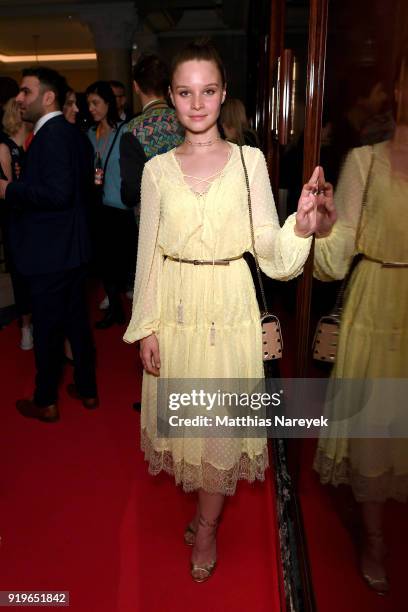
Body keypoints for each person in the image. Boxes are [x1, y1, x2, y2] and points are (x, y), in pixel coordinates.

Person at [123, 39, 335, 582]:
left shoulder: (250, 162)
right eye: (186, 92)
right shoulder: (157, 172)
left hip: (231, 308)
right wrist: (146, 327)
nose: (198, 104)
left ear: (223, 94)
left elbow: (272, 252)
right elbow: (147, 256)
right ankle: (204, 511)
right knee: (192, 424)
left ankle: (209, 527)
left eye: (209, 91)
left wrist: (302, 227)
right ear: (170, 97)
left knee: (218, 425)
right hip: (176, 309)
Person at [313, 55, 408, 594]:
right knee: (375, 426)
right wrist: (323, 232)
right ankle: (373, 538)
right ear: (398, 86)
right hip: (375, 302)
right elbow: (334, 259)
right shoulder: (365, 161)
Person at [0, 66, 98, 422]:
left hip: (51, 251)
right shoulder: (72, 134)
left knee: (48, 327)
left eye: (26, 92)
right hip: (71, 249)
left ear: (48, 96)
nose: (19, 99)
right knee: (75, 322)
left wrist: (9, 189)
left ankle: (45, 400)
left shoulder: (52, 135)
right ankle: (87, 390)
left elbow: (57, 194)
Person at [86, 81, 136, 329]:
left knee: (121, 261)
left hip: (120, 208)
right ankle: (115, 310)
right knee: (104, 262)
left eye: (95, 103)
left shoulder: (125, 130)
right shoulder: (89, 134)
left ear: (108, 103)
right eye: (89, 104)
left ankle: (128, 311)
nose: (91, 108)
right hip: (98, 207)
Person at [119, 54, 184, 213]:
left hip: (154, 223)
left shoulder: (133, 130)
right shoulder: (186, 120)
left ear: (136, 86)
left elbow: (131, 193)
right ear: (168, 87)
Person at [0, 98, 33, 349]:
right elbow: (9, 191)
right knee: (21, 275)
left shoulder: (37, 141)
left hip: (38, 218)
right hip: (16, 220)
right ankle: (25, 327)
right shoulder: (4, 147)